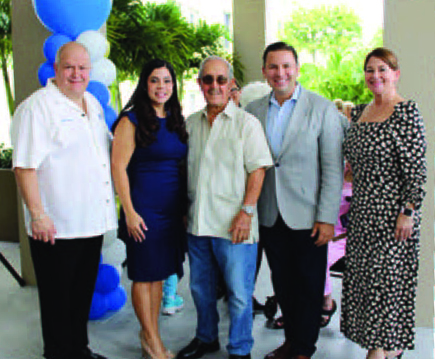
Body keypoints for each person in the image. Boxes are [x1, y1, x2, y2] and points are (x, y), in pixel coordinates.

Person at [11, 42, 117, 359]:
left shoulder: (92, 104)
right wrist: (38, 214)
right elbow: (24, 166)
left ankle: (78, 349)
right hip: (56, 226)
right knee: (58, 299)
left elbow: (108, 152)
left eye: (83, 68)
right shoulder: (37, 108)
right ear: (56, 68)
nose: (76, 74)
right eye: (69, 67)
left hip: (90, 222)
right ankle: (58, 353)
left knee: (81, 294)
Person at [245, 41, 345, 359]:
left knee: (309, 284)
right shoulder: (254, 111)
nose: (280, 72)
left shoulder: (321, 108)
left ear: (297, 69)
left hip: (310, 216)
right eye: (273, 67)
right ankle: (291, 341)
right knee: (283, 282)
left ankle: (304, 347)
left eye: (287, 66)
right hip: (270, 213)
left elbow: (333, 168)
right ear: (264, 72)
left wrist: (327, 217)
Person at [177, 56, 273, 359]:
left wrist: (246, 213)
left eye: (221, 79)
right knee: (201, 291)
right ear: (200, 84)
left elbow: (258, 169)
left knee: (240, 295)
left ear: (231, 84)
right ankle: (206, 338)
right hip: (197, 224)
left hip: (234, 226)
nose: (214, 86)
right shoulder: (190, 124)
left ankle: (240, 349)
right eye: (208, 80)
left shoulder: (247, 124)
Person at [341, 47, 427, 359]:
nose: (375, 75)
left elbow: (416, 169)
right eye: (370, 69)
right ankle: (386, 347)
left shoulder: (406, 112)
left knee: (386, 284)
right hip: (363, 211)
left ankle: (378, 351)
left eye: (382, 69)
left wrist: (408, 211)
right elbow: (354, 160)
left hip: (393, 215)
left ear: (396, 74)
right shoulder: (361, 111)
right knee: (366, 283)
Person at [111, 59, 187, 359]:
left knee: (159, 276)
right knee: (144, 276)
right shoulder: (130, 120)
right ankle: (154, 345)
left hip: (171, 211)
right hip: (142, 209)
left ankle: (149, 337)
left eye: (167, 81)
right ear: (145, 84)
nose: (161, 87)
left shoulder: (175, 117)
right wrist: (129, 211)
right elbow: (118, 167)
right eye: (155, 81)